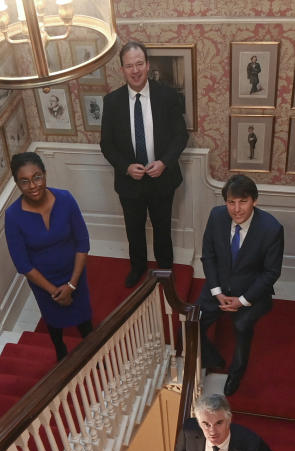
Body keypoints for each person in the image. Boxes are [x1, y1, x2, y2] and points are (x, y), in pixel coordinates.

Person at [100, 40, 188, 287]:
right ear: (122, 69)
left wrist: (165, 162)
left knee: (162, 229)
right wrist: (126, 167)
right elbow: (106, 145)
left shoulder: (168, 95)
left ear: (148, 65)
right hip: (130, 182)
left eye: (139, 64)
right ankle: (137, 267)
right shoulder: (112, 102)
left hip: (162, 179)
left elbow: (181, 135)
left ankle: (165, 270)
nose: (135, 70)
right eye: (129, 66)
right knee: (134, 230)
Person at [197, 175, 284, 396]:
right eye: (231, 202)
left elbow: (271, 272)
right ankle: (212, 358)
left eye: (242, 202)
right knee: (190, 324)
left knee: (242, 326)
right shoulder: (216, 216)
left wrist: (243, 300)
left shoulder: (271, 228)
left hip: (251, 292)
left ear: (254, 200)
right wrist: (216, 292)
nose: (236, 209)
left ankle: (236, 371)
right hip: (219, 288)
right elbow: (208, 256)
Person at [5, 152, 92, 361]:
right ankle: (60, 350)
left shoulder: (65, 199)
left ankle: (93, 351)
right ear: (17, 184)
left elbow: (83, 243)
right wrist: (54, 291)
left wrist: (71, 285)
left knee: (85, 321)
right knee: (53, 322)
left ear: (44, 174)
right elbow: (22, 264)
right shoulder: (13, 216)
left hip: (75, 274)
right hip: (44, 283)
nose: (33, 185)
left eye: (37, 177)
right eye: (24, 181)